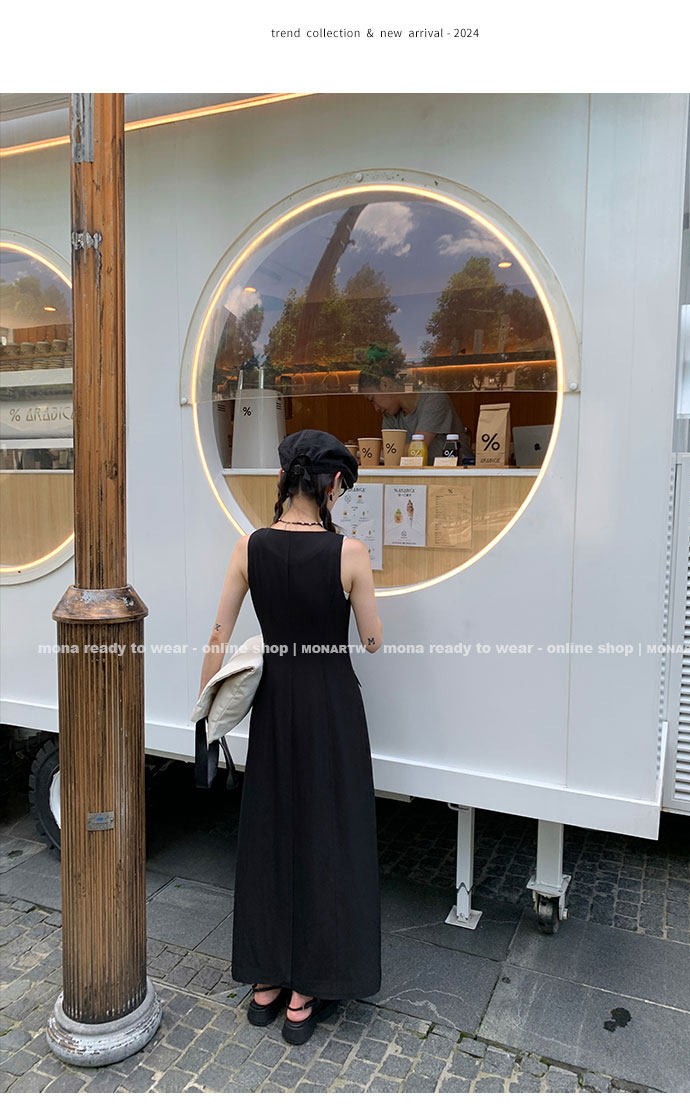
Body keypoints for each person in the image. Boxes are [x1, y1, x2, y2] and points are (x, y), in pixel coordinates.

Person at [198, 429, 383, 1046]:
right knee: (327, 833)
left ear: (283, 480)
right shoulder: (350, 553)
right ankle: (308, 990)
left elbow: (219, 634)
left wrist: (205, 714)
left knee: (272, 829)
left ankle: (266, 982)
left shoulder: (248, 547)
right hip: (331, 708)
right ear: (334, 485)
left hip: (274, 707)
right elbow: (372, 640)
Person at [358, 362, 471, 464]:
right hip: (415, 476)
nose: (375, 408)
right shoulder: (389, 414)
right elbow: (389, 455)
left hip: (456, 474)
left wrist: (369, 455)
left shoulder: (433, 397)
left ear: (385, 384)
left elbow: (416, 450)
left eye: (372, 399)